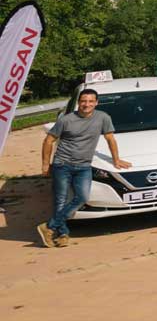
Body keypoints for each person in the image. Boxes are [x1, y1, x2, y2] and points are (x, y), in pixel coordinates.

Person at [37, 88, 131, 247]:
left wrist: (116, 160)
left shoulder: (103, 118)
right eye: (83, 101)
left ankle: (49, 226)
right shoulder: (66, 120)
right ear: (79, 103)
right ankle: (63, 235)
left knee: (82, 198)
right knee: (61, 200)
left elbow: (110, 139)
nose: (86, 104)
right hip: (62, 165)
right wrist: (46, 164)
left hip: (84, 166)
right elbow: (48, 141)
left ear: (96, 103)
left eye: (90, 101)